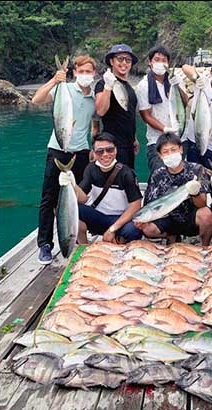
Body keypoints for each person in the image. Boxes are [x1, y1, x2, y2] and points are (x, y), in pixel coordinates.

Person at [31, 55, 97, 264]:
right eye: (82, 71)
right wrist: (55, 80)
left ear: (94, 74)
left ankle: (75, 239)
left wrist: (94, 147)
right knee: (49, 199)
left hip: (81, 153)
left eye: (89, 72)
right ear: (75, 73)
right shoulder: (64, 89)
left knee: (77, 198)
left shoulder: (94, 98)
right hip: (58, 149)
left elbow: (94, 125)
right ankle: (45, 245)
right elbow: (36, 100)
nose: (85, 75)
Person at [58, 132, 143, 244]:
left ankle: (118, 243)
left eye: (110, 150)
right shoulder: (91, 169)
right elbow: (83, 199)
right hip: (99, 217)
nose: (105, 154)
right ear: (93, 153)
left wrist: (112, 229)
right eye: (100, 151)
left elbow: (136, 205)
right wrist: (71, 183)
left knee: (134, 230)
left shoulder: (126, 173)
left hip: (121, 218)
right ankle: (83, 246)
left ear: (116, 150)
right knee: (75, 209)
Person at [134, 132, 212, 245]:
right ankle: (171, 236)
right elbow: (150, 203)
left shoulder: (197, 170)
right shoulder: (157, 175)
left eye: (173, 150)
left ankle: (205, 247)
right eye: (165, 152)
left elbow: (202, 204)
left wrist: (195, 192)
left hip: (190, 217)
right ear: (160, 155)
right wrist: (142, 222)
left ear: (181, 149)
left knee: (206, 214)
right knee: (147, 228)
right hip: (167, 218)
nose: (170, 154)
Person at [136, 45, 188, 173]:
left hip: (180, 139)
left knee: (181, 177)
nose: (160, 63)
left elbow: (185, 102)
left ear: (168, 63)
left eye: (164, 60)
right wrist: (165, 129)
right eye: (156, 59)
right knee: (159, 176)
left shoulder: (176, 80)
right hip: (157, 141)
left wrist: (176, 85)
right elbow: (146, 115)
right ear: (150, 62)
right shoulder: (144, 85)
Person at [180, 58, 212, 170]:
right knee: (194, 178)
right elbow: (185, 67)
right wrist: (196, 77)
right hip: (195, 141)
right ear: (211, 73)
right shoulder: (203, 83)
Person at [94, 44, 140, 169]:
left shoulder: (129, 87)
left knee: (128, 179)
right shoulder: (102, 84)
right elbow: (101, 110)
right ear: (111, 61)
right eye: (120, 59)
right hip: (111, 146)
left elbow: (128, 114)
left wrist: (134, 138)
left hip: (129, 145)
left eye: (128, 60)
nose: (124, 63)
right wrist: (108, 86)